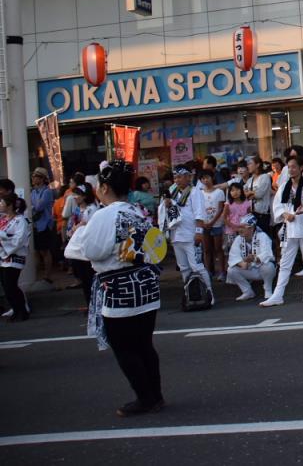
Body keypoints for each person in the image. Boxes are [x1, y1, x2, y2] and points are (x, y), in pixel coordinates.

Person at [75, 161, 164, 417]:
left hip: (119, 284)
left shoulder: (103, 215)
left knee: (124, 346)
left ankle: (145, 397)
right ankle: (154, 395)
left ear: (104, 187)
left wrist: (82, 235)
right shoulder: (137, 211)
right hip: (145, 282)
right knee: (144, 344)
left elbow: (92, 251)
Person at [261, 156, 303, 306]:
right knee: (285, 263)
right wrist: (285, 214)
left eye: (294, 167)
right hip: (290, 228)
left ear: (300, 168)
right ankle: (278, 295)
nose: (291, 169)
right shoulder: (285, 186)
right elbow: (277, 206)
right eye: (289, 167)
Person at [159, 167, 214, 305]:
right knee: (183, 267)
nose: (176, 180)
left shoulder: (195, 192)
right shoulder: (172, 191)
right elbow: (165, 211)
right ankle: (190, 293)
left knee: (197, 266)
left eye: (180, 177)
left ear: (188, 177)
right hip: (176, 235)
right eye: (175, 177)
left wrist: (199, 233)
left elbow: (199, 213)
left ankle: (209, 292)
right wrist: (165, 204)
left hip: (191, 234)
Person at [226, 214, 277, 302]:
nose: (240, 230)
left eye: (243, 227)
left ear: (251, 228)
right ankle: (247, 291)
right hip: (248, 269)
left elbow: (268, 254)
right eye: (239, 227)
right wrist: (242, 263)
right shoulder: (238, 239)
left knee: (268, 266)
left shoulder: (262, 236)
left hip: (261, 269)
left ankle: (268, 290)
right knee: (231, 270)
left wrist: (254, 258)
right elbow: (233, 256)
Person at [67, 182, 101, 305]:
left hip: (87, 248)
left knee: (90, 278)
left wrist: (79, 227)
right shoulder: (77, 209)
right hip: (78, 247)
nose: (75, 196)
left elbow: (91, 227)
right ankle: (90, 304)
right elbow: (72, 226)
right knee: (84, 279)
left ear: (85, 196)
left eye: (77, 194)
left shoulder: (92, 209)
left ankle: (94, 304)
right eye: (74, 194)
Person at [0, 195, 31, 321]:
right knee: (6, 286)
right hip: (2, 256)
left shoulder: (20, 220)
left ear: (10, 205)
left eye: (2, 202)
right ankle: (16, 309)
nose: (0, 205)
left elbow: (19, 239)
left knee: (11, 285)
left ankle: (22, 310)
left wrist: (4, 240)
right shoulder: (2, 219)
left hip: (14, 255)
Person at [196, 170, 227, 281]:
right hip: (204, 224)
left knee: (218, 249)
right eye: (203, 178)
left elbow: (220, 209)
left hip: (216, 224)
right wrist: (203, 223)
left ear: (212, 178)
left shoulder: (219, 192)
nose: (205, 180)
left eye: (207, 177)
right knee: (207, 249)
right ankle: (208, 272)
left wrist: (212, 222)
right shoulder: (199, 193)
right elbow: (198, 209)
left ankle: (222, 272)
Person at [30, 167, 58, 283]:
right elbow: (30, 206)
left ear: (41, 179)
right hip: (36, 224)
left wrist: (33, 206)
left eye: (35, 176)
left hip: (45, 224)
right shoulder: (33, 191)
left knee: (45, 251)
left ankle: (48, 275)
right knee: (36, 250)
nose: (33, 178)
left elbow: (38, 207)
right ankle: (40, 275)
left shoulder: (47, 191)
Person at [244, 155, 273, 238]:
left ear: (257, 165)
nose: (248, 166)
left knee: (264, 239)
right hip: (252, 213)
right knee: (254, 239)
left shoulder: (265, 177)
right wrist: (251, 193)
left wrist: (250, 193)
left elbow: (259, 194)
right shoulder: (250, 179)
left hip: (262, 215)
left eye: (250, 164)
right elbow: (243, 193)